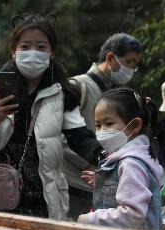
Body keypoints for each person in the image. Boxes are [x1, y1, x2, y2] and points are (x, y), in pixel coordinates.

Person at [0, 14, 101, 219]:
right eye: (25, 46)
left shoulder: (61, 94)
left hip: (41, 202)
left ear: (51, 53)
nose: (33, 53)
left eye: (41, 47)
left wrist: (112, 159)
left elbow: (80, 138)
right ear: (13, 51)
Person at [65, 33, 143, 220]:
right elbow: (64, 138)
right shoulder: (78, 86)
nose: (131, 69)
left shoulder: (114, 93)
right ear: (110, 58)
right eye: (129, 62)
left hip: (101, 181)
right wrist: (100, 160)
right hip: (74, 182)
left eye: (134, 65)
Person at [77, 88, 164, 230]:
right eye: (98, 125)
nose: (101, 131)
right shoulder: (139, 156)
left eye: (109, 123)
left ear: (134, 125)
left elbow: (133, 215)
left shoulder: (131, 164)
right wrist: (107, 182)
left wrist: (90, 219)